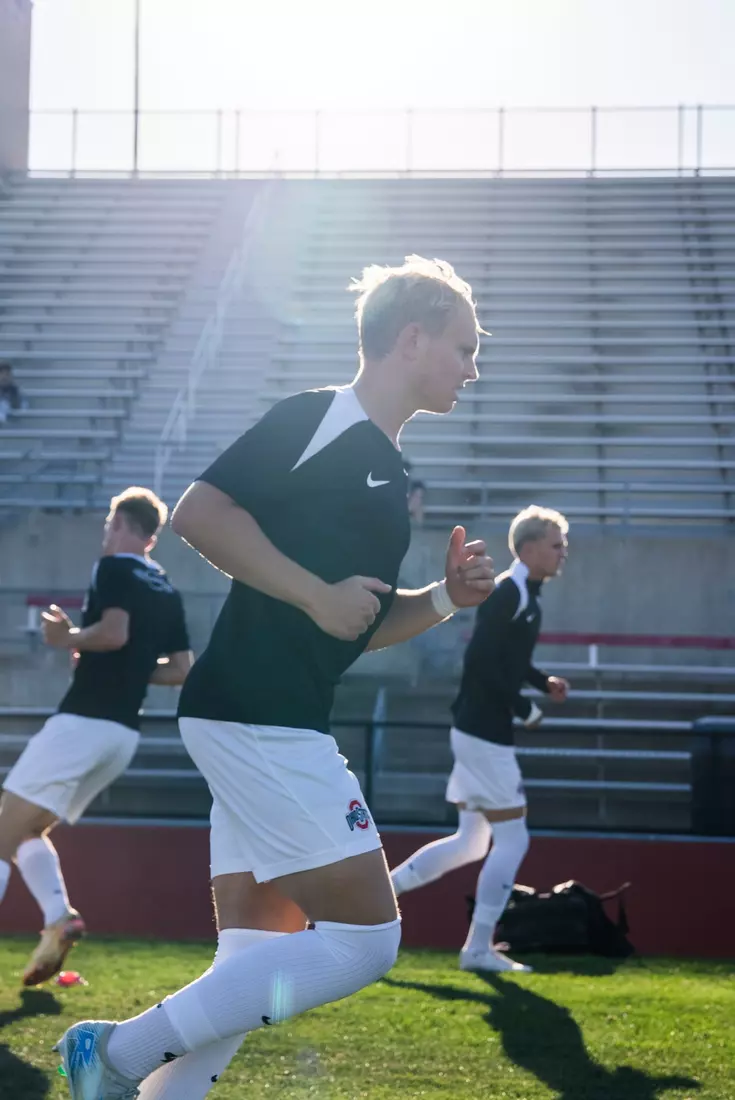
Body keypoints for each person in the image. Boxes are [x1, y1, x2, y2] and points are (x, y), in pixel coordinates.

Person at [54, 255, 495, 1100]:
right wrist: (312, 591)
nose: (472, 367)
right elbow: (197, 513)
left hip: (266, 718)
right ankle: (110, 1056)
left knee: (253, 957)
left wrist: (445, 596)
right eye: (464, 347)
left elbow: (350, 622)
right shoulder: (317, 417)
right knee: (363, 944)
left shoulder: (387, 469)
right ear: (411, 339)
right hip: (258, 719)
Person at [0, 487, 193, 988]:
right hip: (121, 735)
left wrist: (69, 638)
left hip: (82, 722)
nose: (105, 535)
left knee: (2, 831)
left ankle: (57, 918)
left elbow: (113, 633)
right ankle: (59, 918)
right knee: (25, 832)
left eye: (109, 525)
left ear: (122, 526)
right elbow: (180, 670)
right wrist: (124, 671)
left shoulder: (112, 568)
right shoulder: (167, 588)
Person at [391, 505, 570, 974]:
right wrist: (524, 707)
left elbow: (506, 660)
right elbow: (482, 664)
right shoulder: (507, 593)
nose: (562, 552)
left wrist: (540, 681)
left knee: (471, 843)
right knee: (513, 840)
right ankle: (477, 949)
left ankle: (379, 895)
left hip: (476, 732)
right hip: (485, 735)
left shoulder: (523, 594)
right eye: (556, 544)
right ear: (527, 549)